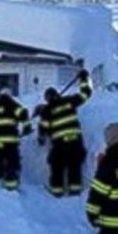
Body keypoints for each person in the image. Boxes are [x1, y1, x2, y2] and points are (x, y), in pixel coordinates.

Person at [37, 69, 92, 197]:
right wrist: (84, 79)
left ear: (47, 99)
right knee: (74, 167)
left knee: (57, 168)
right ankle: (75, 192)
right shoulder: (69, 101)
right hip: (75, 143)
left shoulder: (47, 110)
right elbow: (85, 94)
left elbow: (43, 129)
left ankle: (57, 193)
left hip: (59, 145)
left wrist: (41, 139)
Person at [0, 88, 32, 191]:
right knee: (11, 161)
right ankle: (11, 186)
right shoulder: (10, 103)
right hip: (9, 140)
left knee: (0, 160)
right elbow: (23, 113)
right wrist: (27, 127)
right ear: (9, 96)